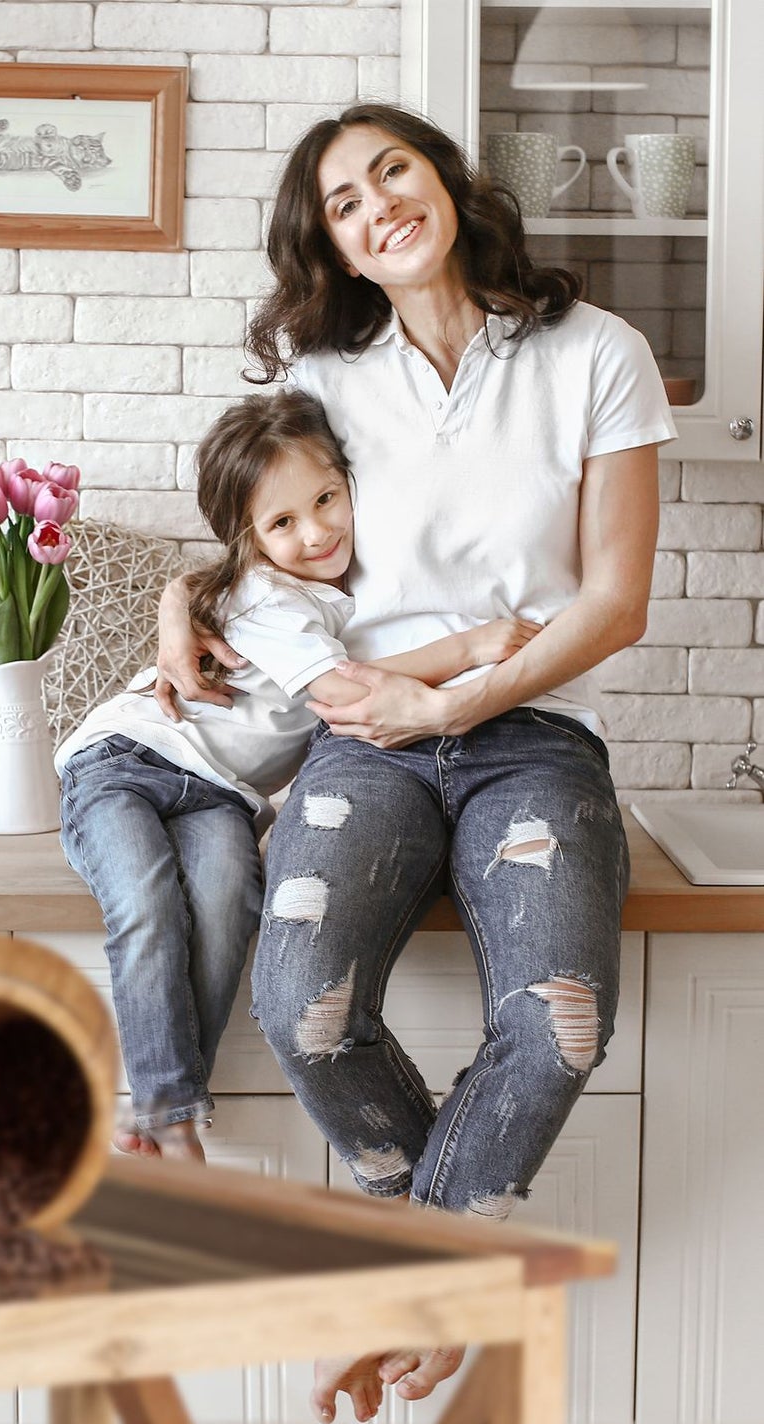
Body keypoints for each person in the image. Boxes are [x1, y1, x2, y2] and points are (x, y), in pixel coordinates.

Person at [153, 102, 675, 1424]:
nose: (378, 202)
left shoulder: (595, 351)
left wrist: (460, 699)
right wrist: (180, 594)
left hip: (533, 735)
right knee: (299, 1005)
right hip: (365, 740)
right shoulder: (326, 382)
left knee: (557, 1026)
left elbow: (612, 603)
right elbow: (257, 542)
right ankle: (430, 1242)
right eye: (341, 198)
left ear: (442, 179)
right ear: (328, 241)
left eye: (393, 168)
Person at [55, 390, 539, 1166]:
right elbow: (341, 691)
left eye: (325, 499)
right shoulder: (263, 593)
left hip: (220, 795)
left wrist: (180, 592)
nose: (317, 531)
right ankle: (168, 1116)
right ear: (248, 538)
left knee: (225, 901)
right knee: (145, 900)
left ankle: (159, 1112)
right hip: (126, 760)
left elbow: (331, 666)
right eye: (283, 522)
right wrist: (472, 646)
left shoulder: (329, 594)